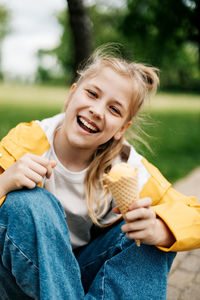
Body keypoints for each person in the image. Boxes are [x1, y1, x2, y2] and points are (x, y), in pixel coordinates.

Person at [0, 46, 199, 300]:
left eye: (114, 109)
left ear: (121, 129)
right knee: (28, 203)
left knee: (152, 230)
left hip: (78, 276)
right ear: (71, 96)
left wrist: (160, 229)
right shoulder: (26, 141)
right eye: (92, 94)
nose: (97, 110)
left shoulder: (126, 165)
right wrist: (4, 182)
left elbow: (193, 215)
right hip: (17, 277)